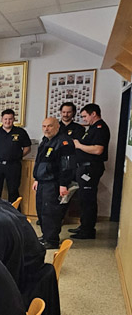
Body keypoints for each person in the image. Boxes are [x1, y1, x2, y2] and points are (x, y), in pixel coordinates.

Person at [33, 117, 76, 249]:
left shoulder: (64, 142)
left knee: (51, 212)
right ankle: (46, 236)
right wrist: (36, 179)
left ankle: (51, 240)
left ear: (57, 127)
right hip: (42, 182)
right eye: (44, 126)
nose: (46, 129)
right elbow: (39, 162)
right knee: (41, 210)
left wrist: (63, 184)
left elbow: (67, 166)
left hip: (54, 183)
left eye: (50, 126)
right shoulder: (46, 141)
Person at [70, 103, 111, 239]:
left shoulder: (100, 128)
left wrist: (79, 145)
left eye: (85, 116)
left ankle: (87, 231)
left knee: (88, 200)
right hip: (84, 167)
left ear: (93, 114)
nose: (84, 119)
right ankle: (84, 226)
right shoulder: (92, 128)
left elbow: (98, 149)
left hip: (90, 168)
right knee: (83, 199)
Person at [0, 108, 31, 202]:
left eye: (10, 119)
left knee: (13, 191)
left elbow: (27, 148)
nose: (7, 121)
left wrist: (17, 156)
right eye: (5, 119)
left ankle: (14, 214)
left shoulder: (20, 132)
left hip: (14, 165)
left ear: (13, 119)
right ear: (2, 119)